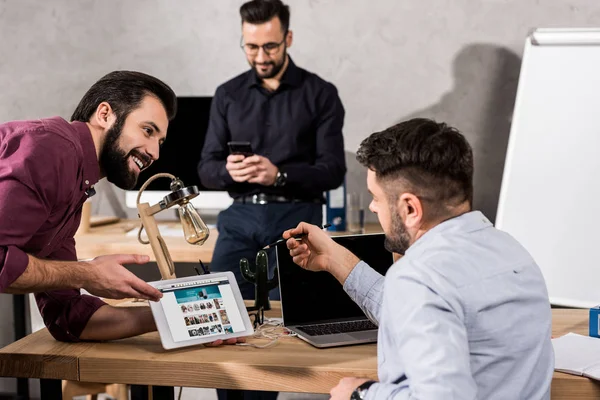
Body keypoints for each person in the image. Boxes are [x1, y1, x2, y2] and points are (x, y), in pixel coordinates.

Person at [284, 118, 553, 399]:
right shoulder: (511, 251)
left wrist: (360, 394)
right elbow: (421, 307)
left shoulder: (420, 276)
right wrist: (333, 258)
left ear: (410, 208)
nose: (373, 207)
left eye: (375, 197)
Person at [0, 71, 240, 347]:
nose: (155, 153)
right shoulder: (50, 150)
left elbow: (68, 316)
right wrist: (86, 273)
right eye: (147, 131)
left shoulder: (74, 187)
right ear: (104, 114)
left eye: (160, 142)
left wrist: (176, 317)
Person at [198, 0, 346, 302]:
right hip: (239, 216)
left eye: (270, 46)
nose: (261, 57)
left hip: (298, 217)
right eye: (251, 47)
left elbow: (333, 171)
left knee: (294, 312)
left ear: (287, 39)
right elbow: (205, 168)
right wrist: (228, 171)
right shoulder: (228, 94)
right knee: (221, 306)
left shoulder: (321, 94)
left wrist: (279, 175)